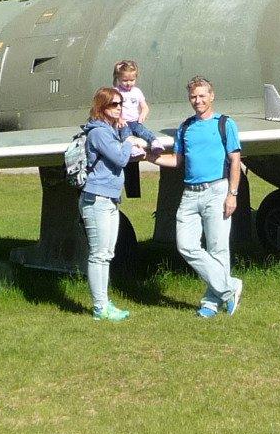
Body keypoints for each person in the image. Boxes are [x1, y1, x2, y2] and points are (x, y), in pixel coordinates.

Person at [150, 76, 244, 317]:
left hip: (217, 191)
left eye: (202, 96)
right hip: (190, 194)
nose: (198, 100)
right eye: (194, 96)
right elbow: (177, 161)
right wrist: (148, 158)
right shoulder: (186, 127)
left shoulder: (225, 124)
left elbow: (235, 161)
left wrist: (232, 194)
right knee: (186, 246)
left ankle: (211, 303)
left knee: (217, 248)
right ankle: (229, 287)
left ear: (211, 96)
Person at [78, 85, 148, 322]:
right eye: (113, 104)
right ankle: (100, 308)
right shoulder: (98, 132)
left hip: (109, 198)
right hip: (96, 198)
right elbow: (119, 157)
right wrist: (130, 141)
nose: (119, 108)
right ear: (102, 107)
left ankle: (104, 303)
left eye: (120, 104)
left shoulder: (108, 131)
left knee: (107, 253)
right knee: (98, 254)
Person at [113, 59, 151, 198]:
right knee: (126, 134)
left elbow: (145, 107)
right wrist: (119, 119)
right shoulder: (116, 92)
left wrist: (143, 114)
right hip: (123, 124)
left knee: (143, 132)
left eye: (131, 80)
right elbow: (111, 109)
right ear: (118, 78)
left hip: (135, 121)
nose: (128, 84)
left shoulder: (137, 92)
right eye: (125, 80)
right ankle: (132, 148)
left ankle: (154, 142)